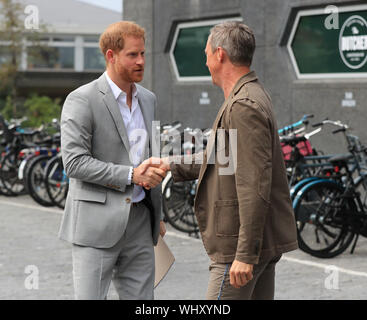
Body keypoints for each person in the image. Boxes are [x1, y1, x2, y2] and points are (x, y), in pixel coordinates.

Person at [143, 21, 298, 300]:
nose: (205, 62)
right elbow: (222, 157)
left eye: (205, 54)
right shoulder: (248, 95)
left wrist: (244, 254)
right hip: (253, 245)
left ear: (220, 54)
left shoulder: (243, 105)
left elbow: (254, 185)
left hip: (237, 247)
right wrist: (169, 163)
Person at [59, 21, 166, 300]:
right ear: (111, 55)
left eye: (143, 53)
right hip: (96, 226)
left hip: (142, 221)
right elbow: (74, 163)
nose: (141, 61)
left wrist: (159, 214)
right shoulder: (82, 99)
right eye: (133, 55)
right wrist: (133, 175)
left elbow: (148, 157)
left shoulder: (149, 99)